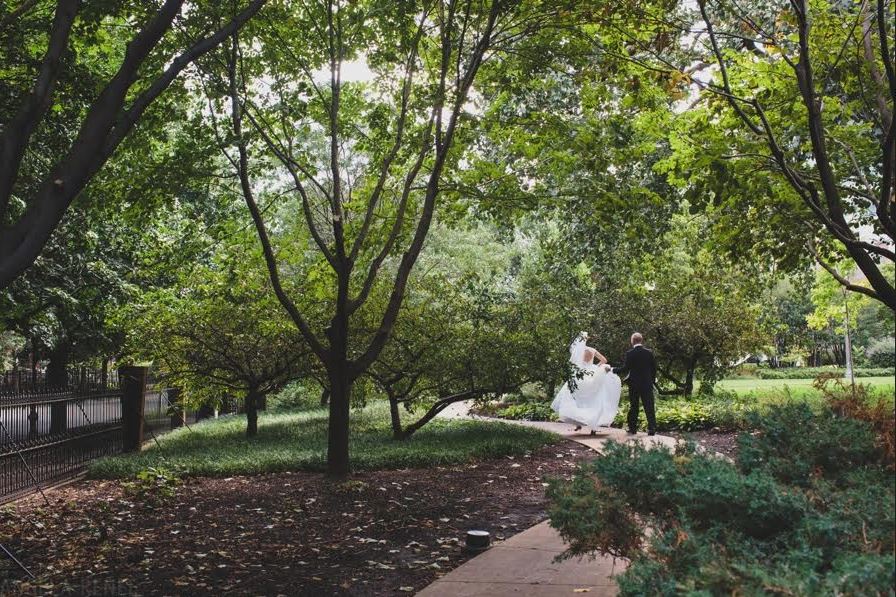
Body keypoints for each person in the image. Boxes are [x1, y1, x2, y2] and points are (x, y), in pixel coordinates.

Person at [551, 332, 622, 434]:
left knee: (576, 398)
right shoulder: (592, 350)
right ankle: (593, 427)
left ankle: (578, 424)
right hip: (592, 373)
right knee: (594, 399)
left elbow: (573, 364)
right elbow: (604, 360)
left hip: (580, 375)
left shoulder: (577, 351)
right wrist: (596, 367)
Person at [612, 332, 657, 436]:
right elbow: (654, 368)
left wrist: (613, 369)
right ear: (641, 340)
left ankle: (632, 428)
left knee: (634, 406)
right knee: (649, 406)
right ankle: (652, 429)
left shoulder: (630, 353)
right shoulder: (649, 352)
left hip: (634, 384)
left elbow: (625, 368)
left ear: (632, 341)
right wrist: (652, 381)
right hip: (647, 384)